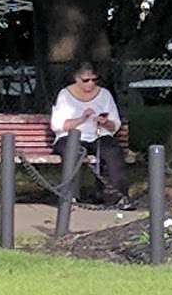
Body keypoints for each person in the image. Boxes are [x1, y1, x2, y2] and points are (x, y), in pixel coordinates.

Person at [50, 63, 133, 209]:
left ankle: (119, 196)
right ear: (76, 79)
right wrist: (81, 119)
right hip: (71, 136)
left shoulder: (105, 95)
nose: (91, 84)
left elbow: (115, 125)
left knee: (113, 152)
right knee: (72, 151)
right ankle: (70, 197)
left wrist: (106, 122)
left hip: (98, 135)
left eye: (94, 80)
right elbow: (57, 125)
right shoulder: (64, 95)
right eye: (86, 80)